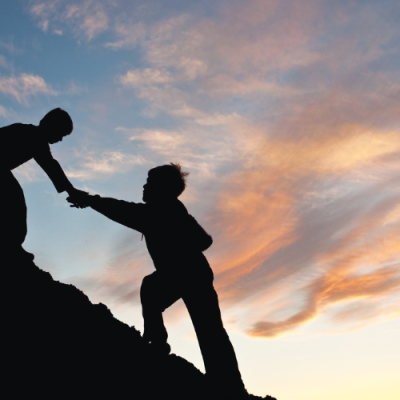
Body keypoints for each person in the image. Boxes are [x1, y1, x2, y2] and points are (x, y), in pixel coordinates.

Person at [68, 163, 248, 398]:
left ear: (162, 188)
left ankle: (163, 347)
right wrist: (91, 201)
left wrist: (90, 200)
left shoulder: (162, 210)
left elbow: (123, 210)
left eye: (150, 183)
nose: (144, 186)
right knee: (206, 326)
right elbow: (204, 240)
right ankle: (224, 381)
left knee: (204, 325)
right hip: (193, 272)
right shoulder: (171, 210)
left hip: (189, 273)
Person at [1, 108, 87, 260]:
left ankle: (10, 245)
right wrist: (71, 191)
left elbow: (51, 165)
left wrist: (70, 190)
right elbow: (51, 165)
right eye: (61, 134)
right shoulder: (32, 136)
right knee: (15, 202)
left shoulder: (32, 135)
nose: (60, 140)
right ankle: (11, 247)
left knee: (13, 202)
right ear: (52, 126)